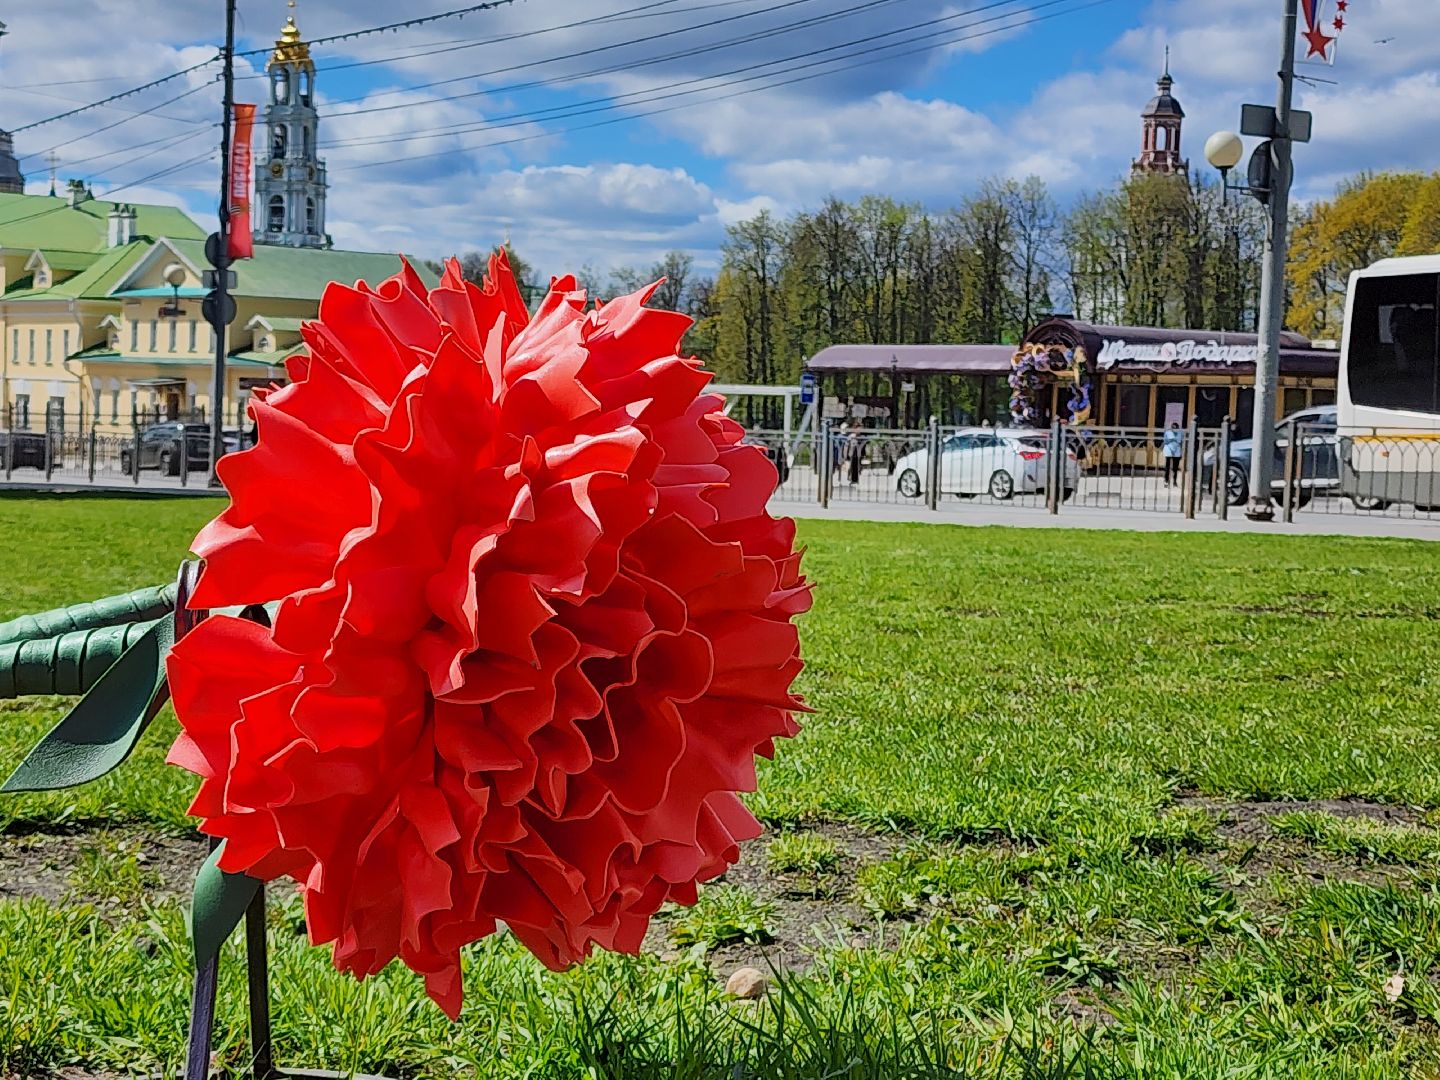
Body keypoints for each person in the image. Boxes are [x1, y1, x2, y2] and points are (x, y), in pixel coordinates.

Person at [1162, 422, 1183, 486]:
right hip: (1169, 450)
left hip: (1177, 451)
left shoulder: (1180, 433)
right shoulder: (1168, 432)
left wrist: (1181, 452)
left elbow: (1181, 442)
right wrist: (1171, 440)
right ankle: (1166, 480)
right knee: (1167, 467)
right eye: (1173, 428)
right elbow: (1165, 441)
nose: (1174, 430)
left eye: (1175, 428)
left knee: (1175, 468)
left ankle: (1174, 481)